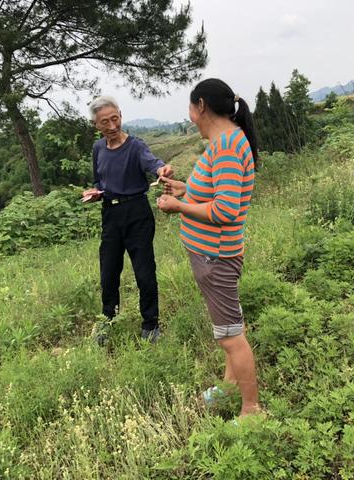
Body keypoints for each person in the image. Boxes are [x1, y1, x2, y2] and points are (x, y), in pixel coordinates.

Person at [156, 78, 260, 416]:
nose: (189, 117)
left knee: (230, 336)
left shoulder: (228, 146)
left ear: (201, 106)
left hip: (216, 257)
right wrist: (185, 189)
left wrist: (179, 207)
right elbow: (215, 192)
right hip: (211, 256)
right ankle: (229, 389)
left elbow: (226, 210)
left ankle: (251, 410)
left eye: (190, 108)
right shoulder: (222, 143)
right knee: (230, 326)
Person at [83, 95, 173, 342]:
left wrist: (161, 170)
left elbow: (152, 163)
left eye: (115, 119)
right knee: (108, 271)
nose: (112, 126)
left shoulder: (136, 146)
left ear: (121, 115)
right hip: (110, 214)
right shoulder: (98, 148)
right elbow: (98, 180)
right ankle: (107, 321)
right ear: (96, 125)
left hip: (137, 213)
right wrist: (95, 193)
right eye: (104, 122)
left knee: (144, 271)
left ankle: (151, 325)